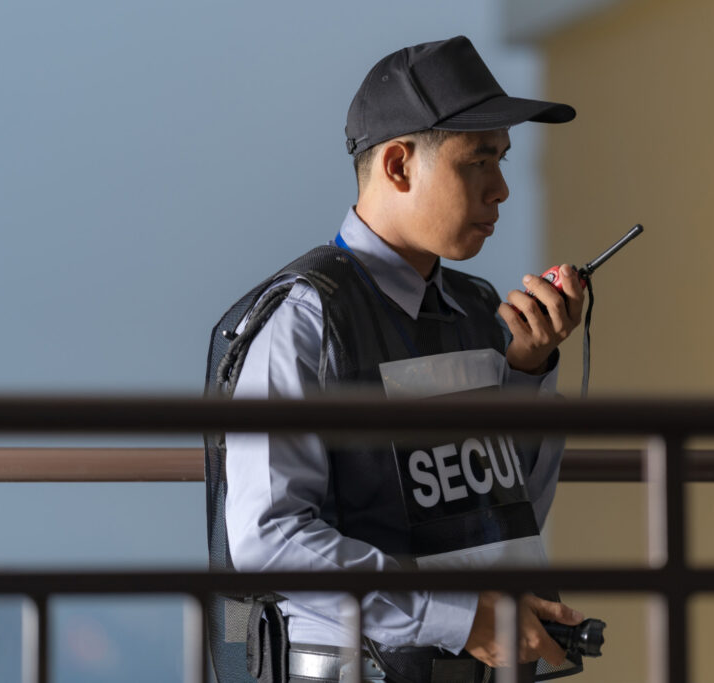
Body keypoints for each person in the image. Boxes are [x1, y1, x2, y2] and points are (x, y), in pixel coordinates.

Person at [221, 35, 586, 683]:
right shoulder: (307, 316)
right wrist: (458, 615)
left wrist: (527, 373)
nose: (501, 188)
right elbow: (268, 540)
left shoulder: (476, 312)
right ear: (397, 166)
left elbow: (506, 520)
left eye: (502, 159)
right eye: (478, 161)